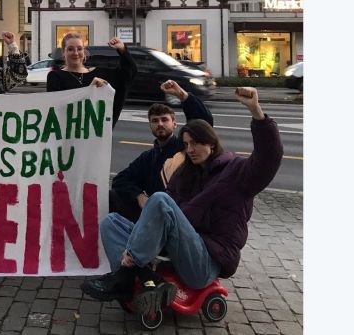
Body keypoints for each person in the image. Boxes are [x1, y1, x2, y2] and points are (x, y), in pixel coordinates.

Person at [81, 87, 283, 314]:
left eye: (196, 143)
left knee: (158, 199)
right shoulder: (184, 174)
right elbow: (128, 185)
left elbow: (268, 159)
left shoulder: (236, 171)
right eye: (186, 144)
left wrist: (256, 111)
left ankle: (126, 273)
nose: (190, 149)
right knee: (112, 222)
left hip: (204, 261)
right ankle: (138, 279)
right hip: (175, 252)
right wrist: (142, 205)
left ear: (211, 143)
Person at [109, 80, 213, 223]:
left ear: (174, 124)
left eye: (165, 120)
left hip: (182, 214)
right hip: (154, 213)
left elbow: (203, 122)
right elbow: (120, 180)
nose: (160, 124)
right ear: (150, 126)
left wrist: (181, 95)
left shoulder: (185, 148)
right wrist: (139, 196)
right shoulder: (148, 157)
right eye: (155, 121)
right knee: (112, 197)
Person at [46, 33, 137, 128]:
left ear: (84, 52)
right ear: (63, 52)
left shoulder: (99, 74)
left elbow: (128, 74)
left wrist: (122, 50)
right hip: (68, 138)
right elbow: (57, 108)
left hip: (94, 138)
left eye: (79, 49)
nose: (76, 53)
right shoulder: (55, 77)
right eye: (70, 49)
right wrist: (90, 91)